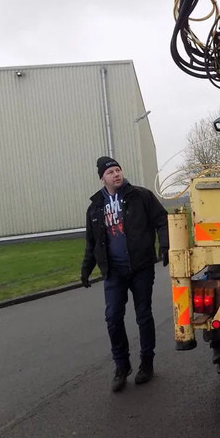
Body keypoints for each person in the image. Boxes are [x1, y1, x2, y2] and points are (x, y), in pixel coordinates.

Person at [81, 156, 169, 392]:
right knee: (112, 317)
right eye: (110, 172)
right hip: (114, 272)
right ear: (102, 178)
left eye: (118, 170)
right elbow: (92, 242)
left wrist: (165, 245)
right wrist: (86, 269)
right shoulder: (95, 207)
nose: (116, 174)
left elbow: (162, 220)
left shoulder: (141, 196)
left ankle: (146, 363)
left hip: (140, 267)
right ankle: (121, 366)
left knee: (143, 315)